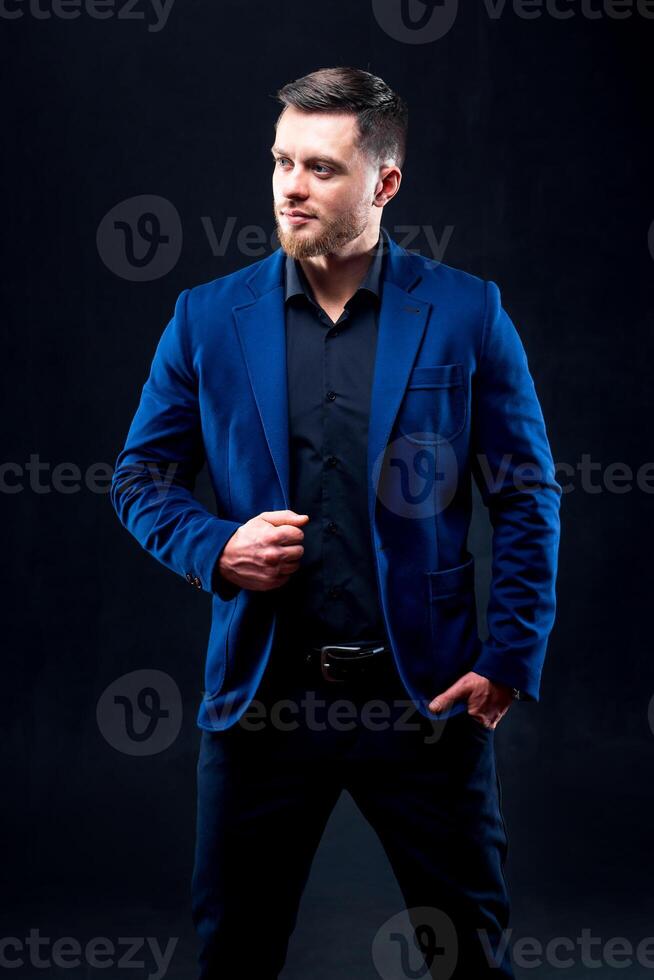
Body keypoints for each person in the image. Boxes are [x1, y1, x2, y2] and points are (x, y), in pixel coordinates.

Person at [110, 66, 561, 979]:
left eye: (320, 167)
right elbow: (140, 478)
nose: (289, 185)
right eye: (281, 160)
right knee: (234, 956)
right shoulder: (204, 319)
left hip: (426, 702)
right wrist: (216, 548)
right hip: (260, 705)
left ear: (385, 184)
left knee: (471, 957)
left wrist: (508, 658)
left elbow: (526, 493)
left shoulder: (469, 313)